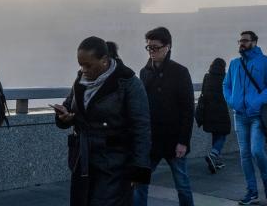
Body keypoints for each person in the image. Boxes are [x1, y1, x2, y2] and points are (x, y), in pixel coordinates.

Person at [54, 36, 152, 206]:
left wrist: (139, 169)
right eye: (80, 64)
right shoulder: (80, 80)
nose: (83, 70)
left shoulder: (128, 82)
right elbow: (69, 106)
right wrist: (64, 117)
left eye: (88, 65)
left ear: (105, 61)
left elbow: (141, 127)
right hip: (82, 160)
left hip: (114, 164)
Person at [134, 27, 195, 206]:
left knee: (182, 184)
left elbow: (188, 109)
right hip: (150, 140)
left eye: (155, 47)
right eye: (148, 47)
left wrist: (183, 141)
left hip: (174, 139)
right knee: (139, 183)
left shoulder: (180, 72)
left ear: (167, 47)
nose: (151, 51)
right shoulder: (144, 72)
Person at [224, 30, 267, 205]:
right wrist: (232, 100)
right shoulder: (234, 64)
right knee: (245, 154)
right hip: (240, 115)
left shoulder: (266, 62)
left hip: (257, 115)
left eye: (245, 40)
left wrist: (258, 101)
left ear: (254, 42)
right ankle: (252, 191)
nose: (242, 43)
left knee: (256, 150)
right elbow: (226, 85)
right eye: (240, 40)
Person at [195, 58, 231, 174]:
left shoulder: (207, 77)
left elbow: (204, 93)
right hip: (221, 112)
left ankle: (217, 161)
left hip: (209, 112)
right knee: (223, 133)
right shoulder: (225, 78)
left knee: (216, 134)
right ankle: (213, 154)